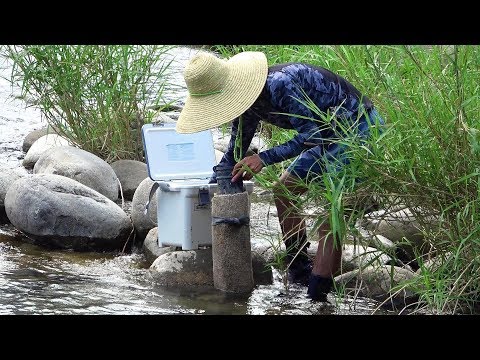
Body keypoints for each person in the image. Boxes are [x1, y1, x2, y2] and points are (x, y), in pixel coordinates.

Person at [176, 50, 384, 302]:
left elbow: (312, 135)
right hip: (328, 134)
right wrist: (214, 188)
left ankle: (317, 295)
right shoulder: (246, 105)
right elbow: (234, 153)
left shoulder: (281, 85)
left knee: (332, 210)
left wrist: (264, 158)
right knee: (284, 190)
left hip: (357, 129)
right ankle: (299, 270)